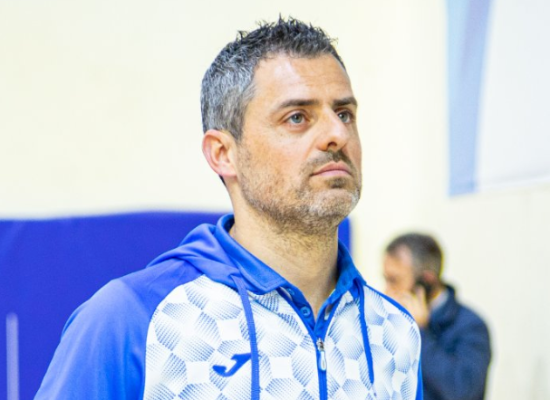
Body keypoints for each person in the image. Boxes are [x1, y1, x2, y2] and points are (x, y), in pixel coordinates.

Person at [36, 18, 423, 399]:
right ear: (223, 153)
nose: (337, 134)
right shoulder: (133, 318)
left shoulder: (395, 332)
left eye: (344, 114)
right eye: (297, 117)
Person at [383, 233, 491, 400]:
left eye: (394, 281)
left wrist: (419, 333)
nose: (387, 292)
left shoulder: (471, 326)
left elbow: (463, 392)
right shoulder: (392, 322)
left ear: (427, 280)